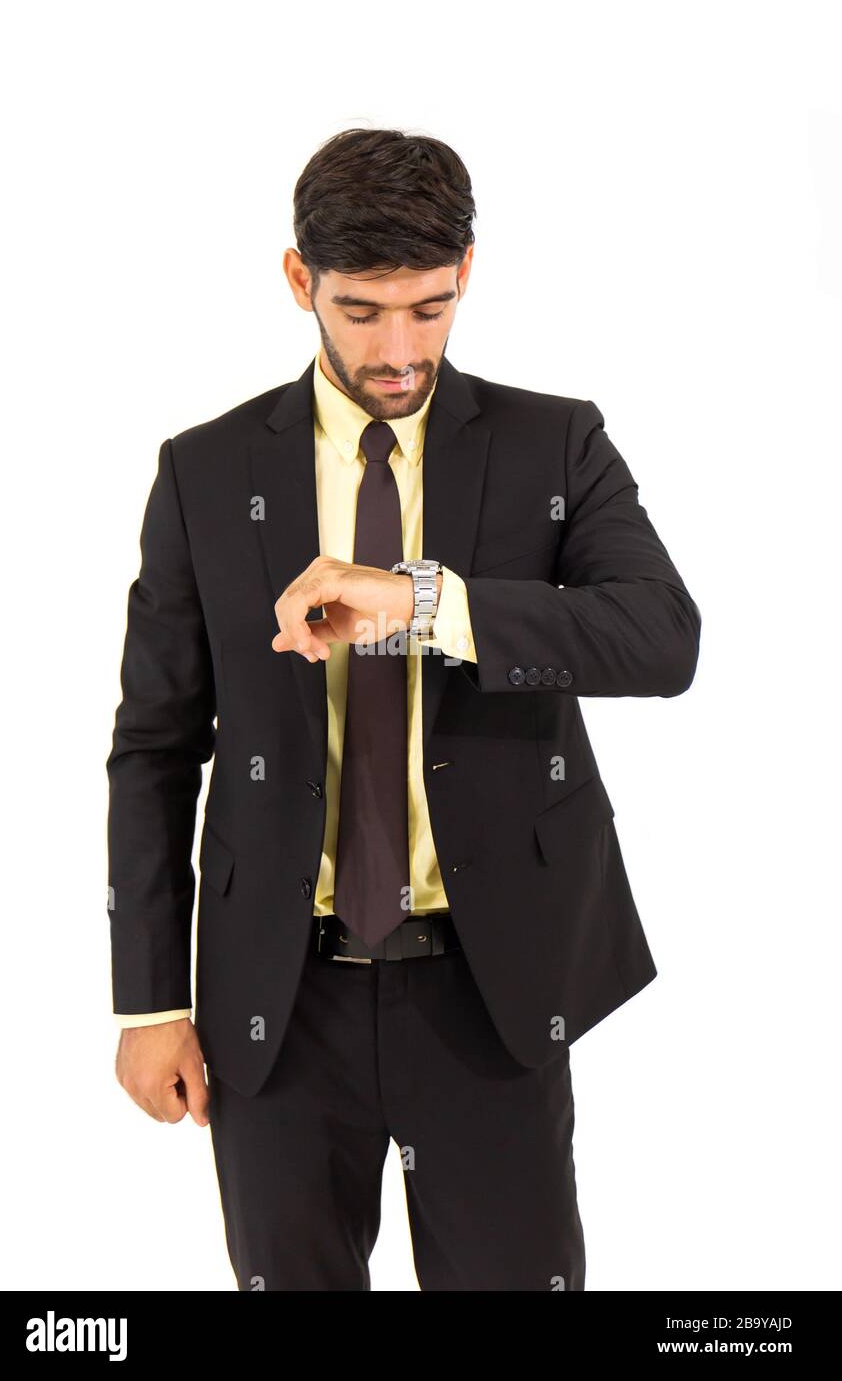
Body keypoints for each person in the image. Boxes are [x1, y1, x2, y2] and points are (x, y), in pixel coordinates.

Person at [107, 126, 701, 1291]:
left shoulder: (554, 440)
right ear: (298, 282)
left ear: (466, 270)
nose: (398, 348)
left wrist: (422, 603)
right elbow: (154, 748)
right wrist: (148, 1000)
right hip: (278, 995)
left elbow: (659, 636)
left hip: (489, 987)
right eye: (363, 309)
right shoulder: (203, 471)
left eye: (428, 308)